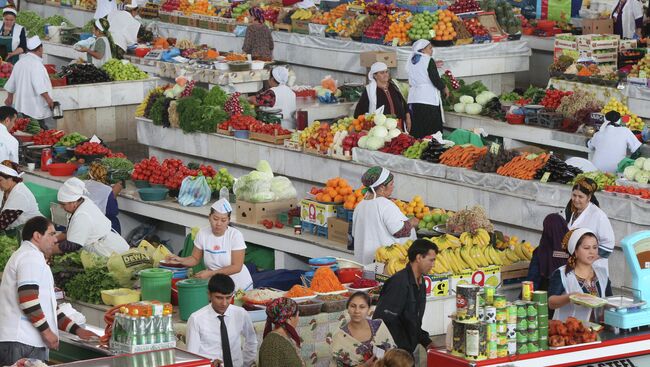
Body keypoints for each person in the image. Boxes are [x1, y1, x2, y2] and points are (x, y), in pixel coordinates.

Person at [0, 217, 98, 366]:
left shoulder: (33, 257)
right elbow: (28, 299)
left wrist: (77, 330)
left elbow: (50, 309)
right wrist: (47, 332)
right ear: (37, 236)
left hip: (26, 342)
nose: (55, 240)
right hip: (21, 341)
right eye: (51, 234)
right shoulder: (30, 257)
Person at [165, 198, 253, 290]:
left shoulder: (235, 235)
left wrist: (210, 273)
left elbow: (236, 267)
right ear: (209, 217)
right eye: (215, 219)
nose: (218, 223)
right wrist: (179, 260)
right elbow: (195, 259)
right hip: (216, 282)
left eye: (223, 220)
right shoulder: (203, 233)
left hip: (237, 283)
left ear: (228, 220)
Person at [373, 239, 437, 355]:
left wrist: (426, 341)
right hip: (395, 355)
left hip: (406, 352)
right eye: (431, 260)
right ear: (418, 258)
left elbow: (413, 321)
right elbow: (384, 319)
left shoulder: (421, 282)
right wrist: (398, 352)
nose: (433, 265)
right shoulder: (399, 282)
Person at [186, 274, 257, 367]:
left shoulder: (241, 314)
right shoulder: (196, 319)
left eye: (228, 297)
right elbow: (192, 357)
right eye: (219, 298)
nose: (224, 303)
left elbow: (251, 340)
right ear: (209, 295)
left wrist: (245, 363)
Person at [352, 166, 417, 265]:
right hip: (383, 264)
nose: (393, 187)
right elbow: (399, 231)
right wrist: (412, 222)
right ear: (382, 187)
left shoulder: (360, 206)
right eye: (391, 184)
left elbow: (353, 234)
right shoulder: (384, 204)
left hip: (363, 263)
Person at [548, 228, 613, 322]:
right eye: (586, 248)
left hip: (598, 330)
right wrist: (570, 297)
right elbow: (551, 303)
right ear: (575, 251)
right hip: (569, 331)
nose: (592, 252)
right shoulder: (563, 274)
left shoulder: (601, 273)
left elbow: (609, 300)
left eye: (595, 247)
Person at [54, 177, 129, 257]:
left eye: (63, 204)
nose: (61, 207)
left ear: (73, 203)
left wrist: (49, 250)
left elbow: (72, 245)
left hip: (108, 249)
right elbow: (73, 231)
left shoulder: (82, 215)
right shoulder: (83, 201)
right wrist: (54, 239)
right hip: (110, 241)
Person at [330, 292, 396, 367]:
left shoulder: (379, 326)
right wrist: (365, 365)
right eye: (353, 306)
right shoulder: (340, 337)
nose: (357, 311)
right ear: (347, 309)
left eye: (362, 307)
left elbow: (393, 354)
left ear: (369, 309)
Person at [3, 36, 54, 129]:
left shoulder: (19, 63)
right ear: (40, 48)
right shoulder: (37, 65)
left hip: (21, 107)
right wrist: (49, 100)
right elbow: (40, 86)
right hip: (34, 108)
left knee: (25, 130)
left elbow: (11, 83)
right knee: (39, 130)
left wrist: (9, 98)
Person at [564, 178, 615, 261]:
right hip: (572, 261)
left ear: (589, 197)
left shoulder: (598, 216)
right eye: (574, 195)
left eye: (580, 197)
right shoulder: (570, 209)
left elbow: (608, 243)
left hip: (592, 265)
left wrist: (589, 259)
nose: (576, 199)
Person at [406, 39, 448, 139]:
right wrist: (444, 87)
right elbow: (435, 79)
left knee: (418, 128)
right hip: (428, 99)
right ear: (423, 50)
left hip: (414, 98)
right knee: (431, 130)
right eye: (430, 48)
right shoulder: (428, 60)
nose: (432, 50)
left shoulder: (411, 60)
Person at [354, 62, 410, 131]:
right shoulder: (370, 91)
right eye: (382, 73)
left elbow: (403, 103)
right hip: (381, 128)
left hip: (399, 125)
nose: (385, 74)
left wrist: (408, 117)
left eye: (386, 72)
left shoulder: (394, 86)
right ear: (375, 75)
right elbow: (360, 110)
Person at [525, 214, 570, 292]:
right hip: (570, 296)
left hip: (545, 298)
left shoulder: (541, 252)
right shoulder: (574, 249)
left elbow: (532, 279)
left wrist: (524, 298)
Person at [258, 297, 303, 367]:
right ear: (290, 318)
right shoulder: (272, 344)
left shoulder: (285, 336)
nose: (298, 319)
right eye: (298, 315)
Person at [0, 161, 40, 234]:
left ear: (11, 178)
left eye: (0, 180)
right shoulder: (7, 189)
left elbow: (2, 223)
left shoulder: (20, 194)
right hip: (18, 229)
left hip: (34, 231)